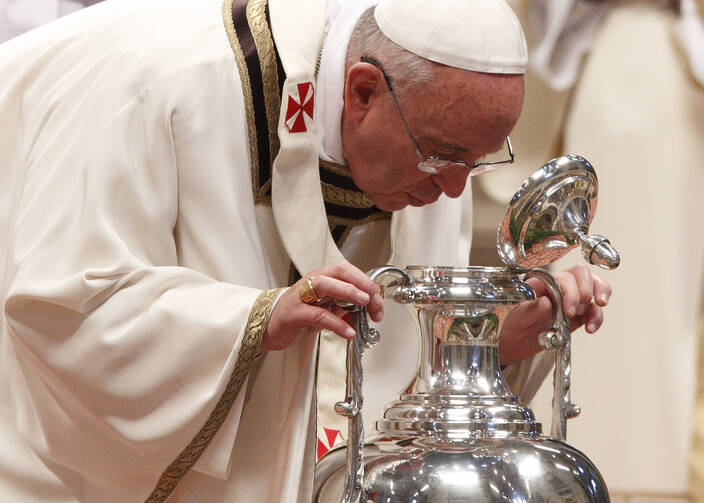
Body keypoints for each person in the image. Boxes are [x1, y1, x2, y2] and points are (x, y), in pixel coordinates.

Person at [0, 0, 612, 501]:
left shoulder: (428, 129)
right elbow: (64, 307)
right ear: (362, 90)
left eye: (478, 164)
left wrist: (486, 348)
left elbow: (372, 392)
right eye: (445, 157)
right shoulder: (153, 80)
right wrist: (255, 321)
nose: (453, 188)